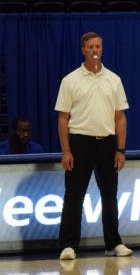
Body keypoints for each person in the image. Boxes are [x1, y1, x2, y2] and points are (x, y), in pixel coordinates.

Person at [54, 32, 131, 260]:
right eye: (90, 47)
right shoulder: (70, 80)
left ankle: (113, 242)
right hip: (80, 142)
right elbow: (62, 119)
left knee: (110, 195)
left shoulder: (114, 80)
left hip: (107, 143)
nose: (95, 50)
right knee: (74, 195)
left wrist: (121, 150)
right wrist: (66, 150)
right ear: (83, 50)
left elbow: (120, 118)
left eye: (98, 46)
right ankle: (68, 245)